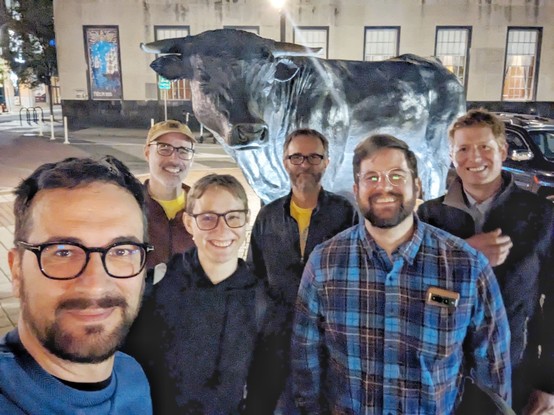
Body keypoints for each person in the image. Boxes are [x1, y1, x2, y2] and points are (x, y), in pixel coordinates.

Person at [291, 134, 512, 414]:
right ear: (357, 189)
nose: (384, 187)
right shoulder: (324, 263)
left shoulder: (466, 265)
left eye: (396, 176)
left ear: (417, 186)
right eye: (372, 178)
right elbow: (305, 360)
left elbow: (492, 366)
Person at [418, 109, 554, 414]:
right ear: (451, 156)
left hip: (513, 371)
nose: (474, 158)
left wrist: (548, 383)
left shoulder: (540, 216)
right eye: (463, 149)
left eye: (485, 147)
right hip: (440, 373)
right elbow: (418, 294)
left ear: (503, 151)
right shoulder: (429, 218)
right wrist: (465, 257)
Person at [0, 156, 153, 414]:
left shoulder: (133, 377)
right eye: (62, 252)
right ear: (17, 272)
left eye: (122, 251)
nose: (95, 285)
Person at [124, 174, 267, 414]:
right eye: (208, 218)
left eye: (233, 217)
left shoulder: (262, 303)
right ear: (189, 223)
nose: (222, 230)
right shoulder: (157, 290)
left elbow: (265, 390)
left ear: (245, 221)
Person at [247, 128, 358, 413]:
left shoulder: (346, 214)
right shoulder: (268, 216)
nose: (304, 165)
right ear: (285, 161)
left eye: (313, 157)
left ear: (326, 162)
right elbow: (254, 275)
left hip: (329, 343)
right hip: (277, 344)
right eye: (296, 157)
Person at [144, 119, 196, 269]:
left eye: (184, 150)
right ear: (147, 153)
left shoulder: (202, 210)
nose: (174, 159)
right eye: (164, 148)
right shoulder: (130, 207)